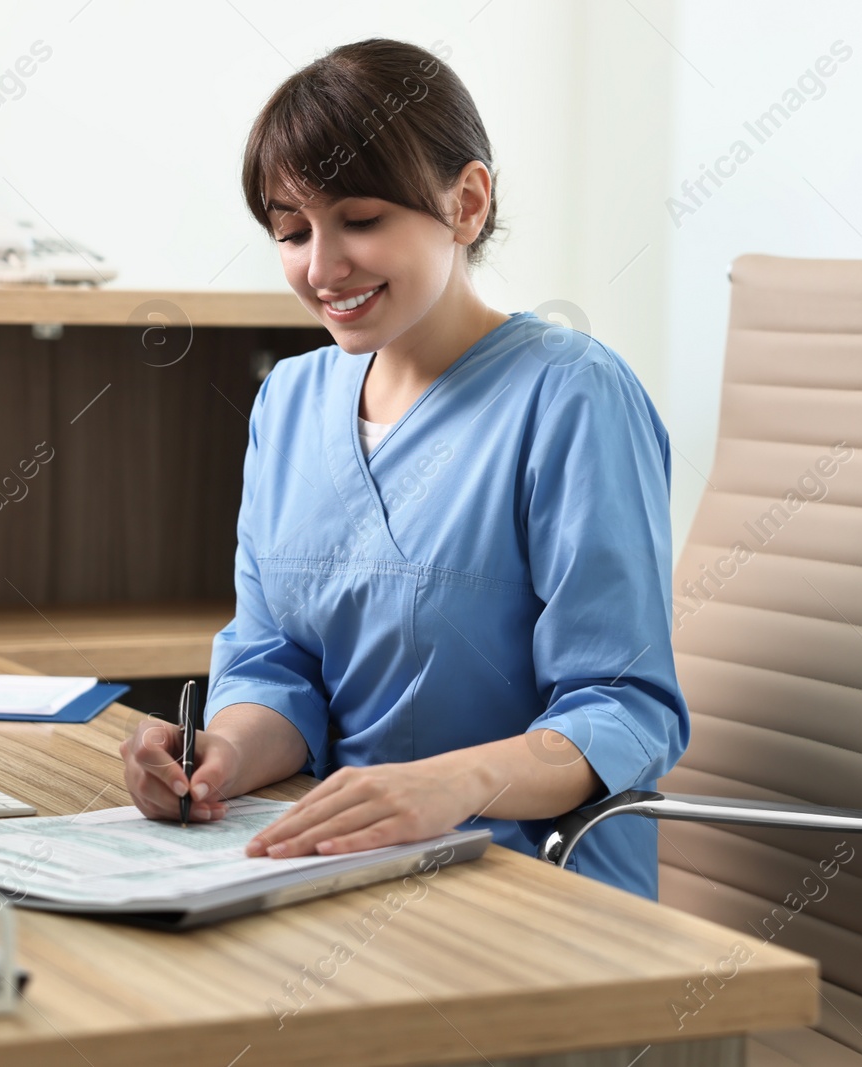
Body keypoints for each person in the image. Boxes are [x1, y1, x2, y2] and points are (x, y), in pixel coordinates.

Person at [118, 37, 688, 898]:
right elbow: (278, 663)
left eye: (361, 219)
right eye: (292, 230)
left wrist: (448, 786)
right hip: (342, 864)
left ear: (465, 203)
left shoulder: (572, 395)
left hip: (536, 887)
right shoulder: (290, 401)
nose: (322, 266)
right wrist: (222, 755)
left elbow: (625, 708)